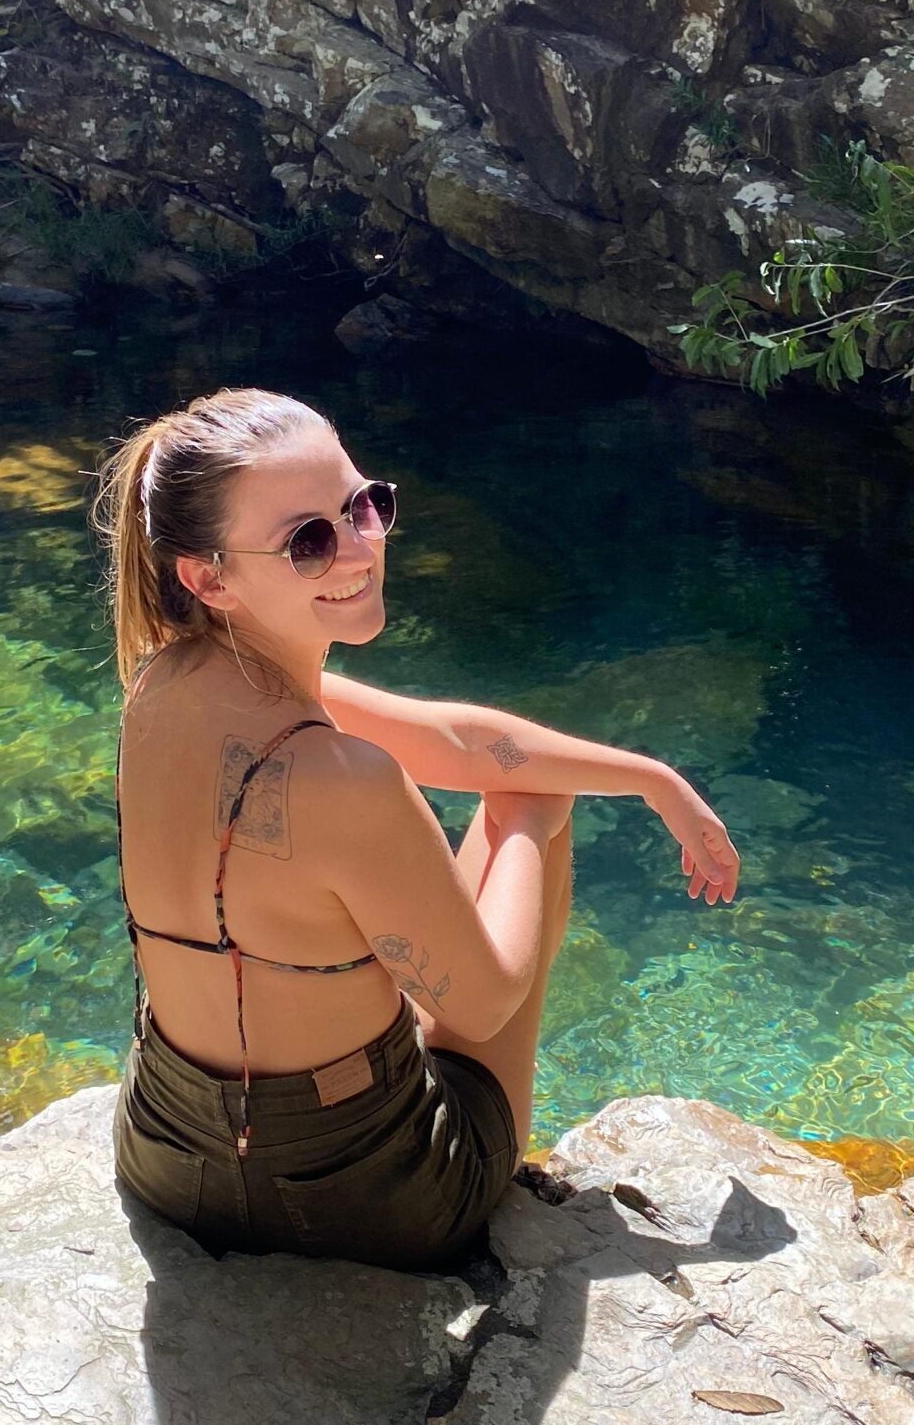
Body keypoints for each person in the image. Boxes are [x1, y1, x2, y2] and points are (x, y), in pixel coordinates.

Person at [95, 386, 741, 1273]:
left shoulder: (158, 687)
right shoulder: (347, 780)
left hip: (166, 1158)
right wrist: (529, 816)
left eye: (363, 506)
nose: (359, 548)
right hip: (366, 1205)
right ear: (210, 578)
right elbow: (482, 1004)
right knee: (534, 808)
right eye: (308, 541)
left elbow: (453, 739)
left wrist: (649, 779)